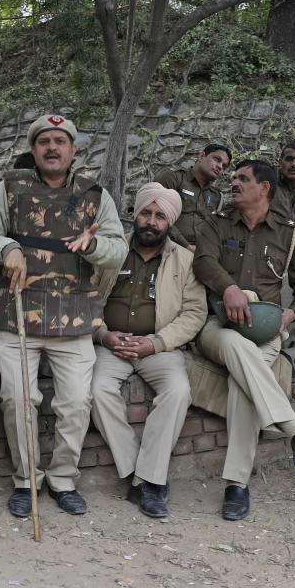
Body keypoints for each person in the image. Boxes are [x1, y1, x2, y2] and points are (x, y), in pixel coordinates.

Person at [0, 114, 127, 517]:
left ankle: (61, 478)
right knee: (17, 400)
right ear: (34, 149)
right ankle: (26, 480)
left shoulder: (95, 194)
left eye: (60, 141)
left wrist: (92, 248)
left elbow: (118, 249)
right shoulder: (10, 188)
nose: (52, 148)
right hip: (18, 316)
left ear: (73, 150)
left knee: (76, 403)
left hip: (74, 320)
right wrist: (7, 248)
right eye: (44, 142)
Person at [193, 159, 295, 521]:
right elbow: (203, 262)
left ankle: (236, 486)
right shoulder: (215, 224)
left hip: (267, 332)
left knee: (242, 384)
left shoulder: (290, 234)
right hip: (218, 328)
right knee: (237, 348)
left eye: (242, 179)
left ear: (264, 188)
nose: (233, 183)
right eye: (233, 178)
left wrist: (289, 314)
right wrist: (228, 287)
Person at [91, 182, 206, 517]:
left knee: (178, 390)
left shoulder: (185, 260)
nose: (151, 221)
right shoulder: (110, 253)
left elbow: (195, 313)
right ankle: (141, 477)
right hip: (112, 343)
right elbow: (85, 299)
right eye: (146, 213)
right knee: (96, 388)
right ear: (135, 214)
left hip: (159, 346)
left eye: (159, 216)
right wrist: (103, 336)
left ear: (169, 223)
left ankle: (148, 479)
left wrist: (155, 343)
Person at [154, 143, 231, 251]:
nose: (220, 166)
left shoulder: (216, 197)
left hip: (200, 256)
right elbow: (156, 215)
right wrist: (186, 246)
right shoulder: (173, 178)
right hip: (167, 248)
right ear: (201, 156)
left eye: (224, 166)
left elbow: (218, 231)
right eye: (217, 159)